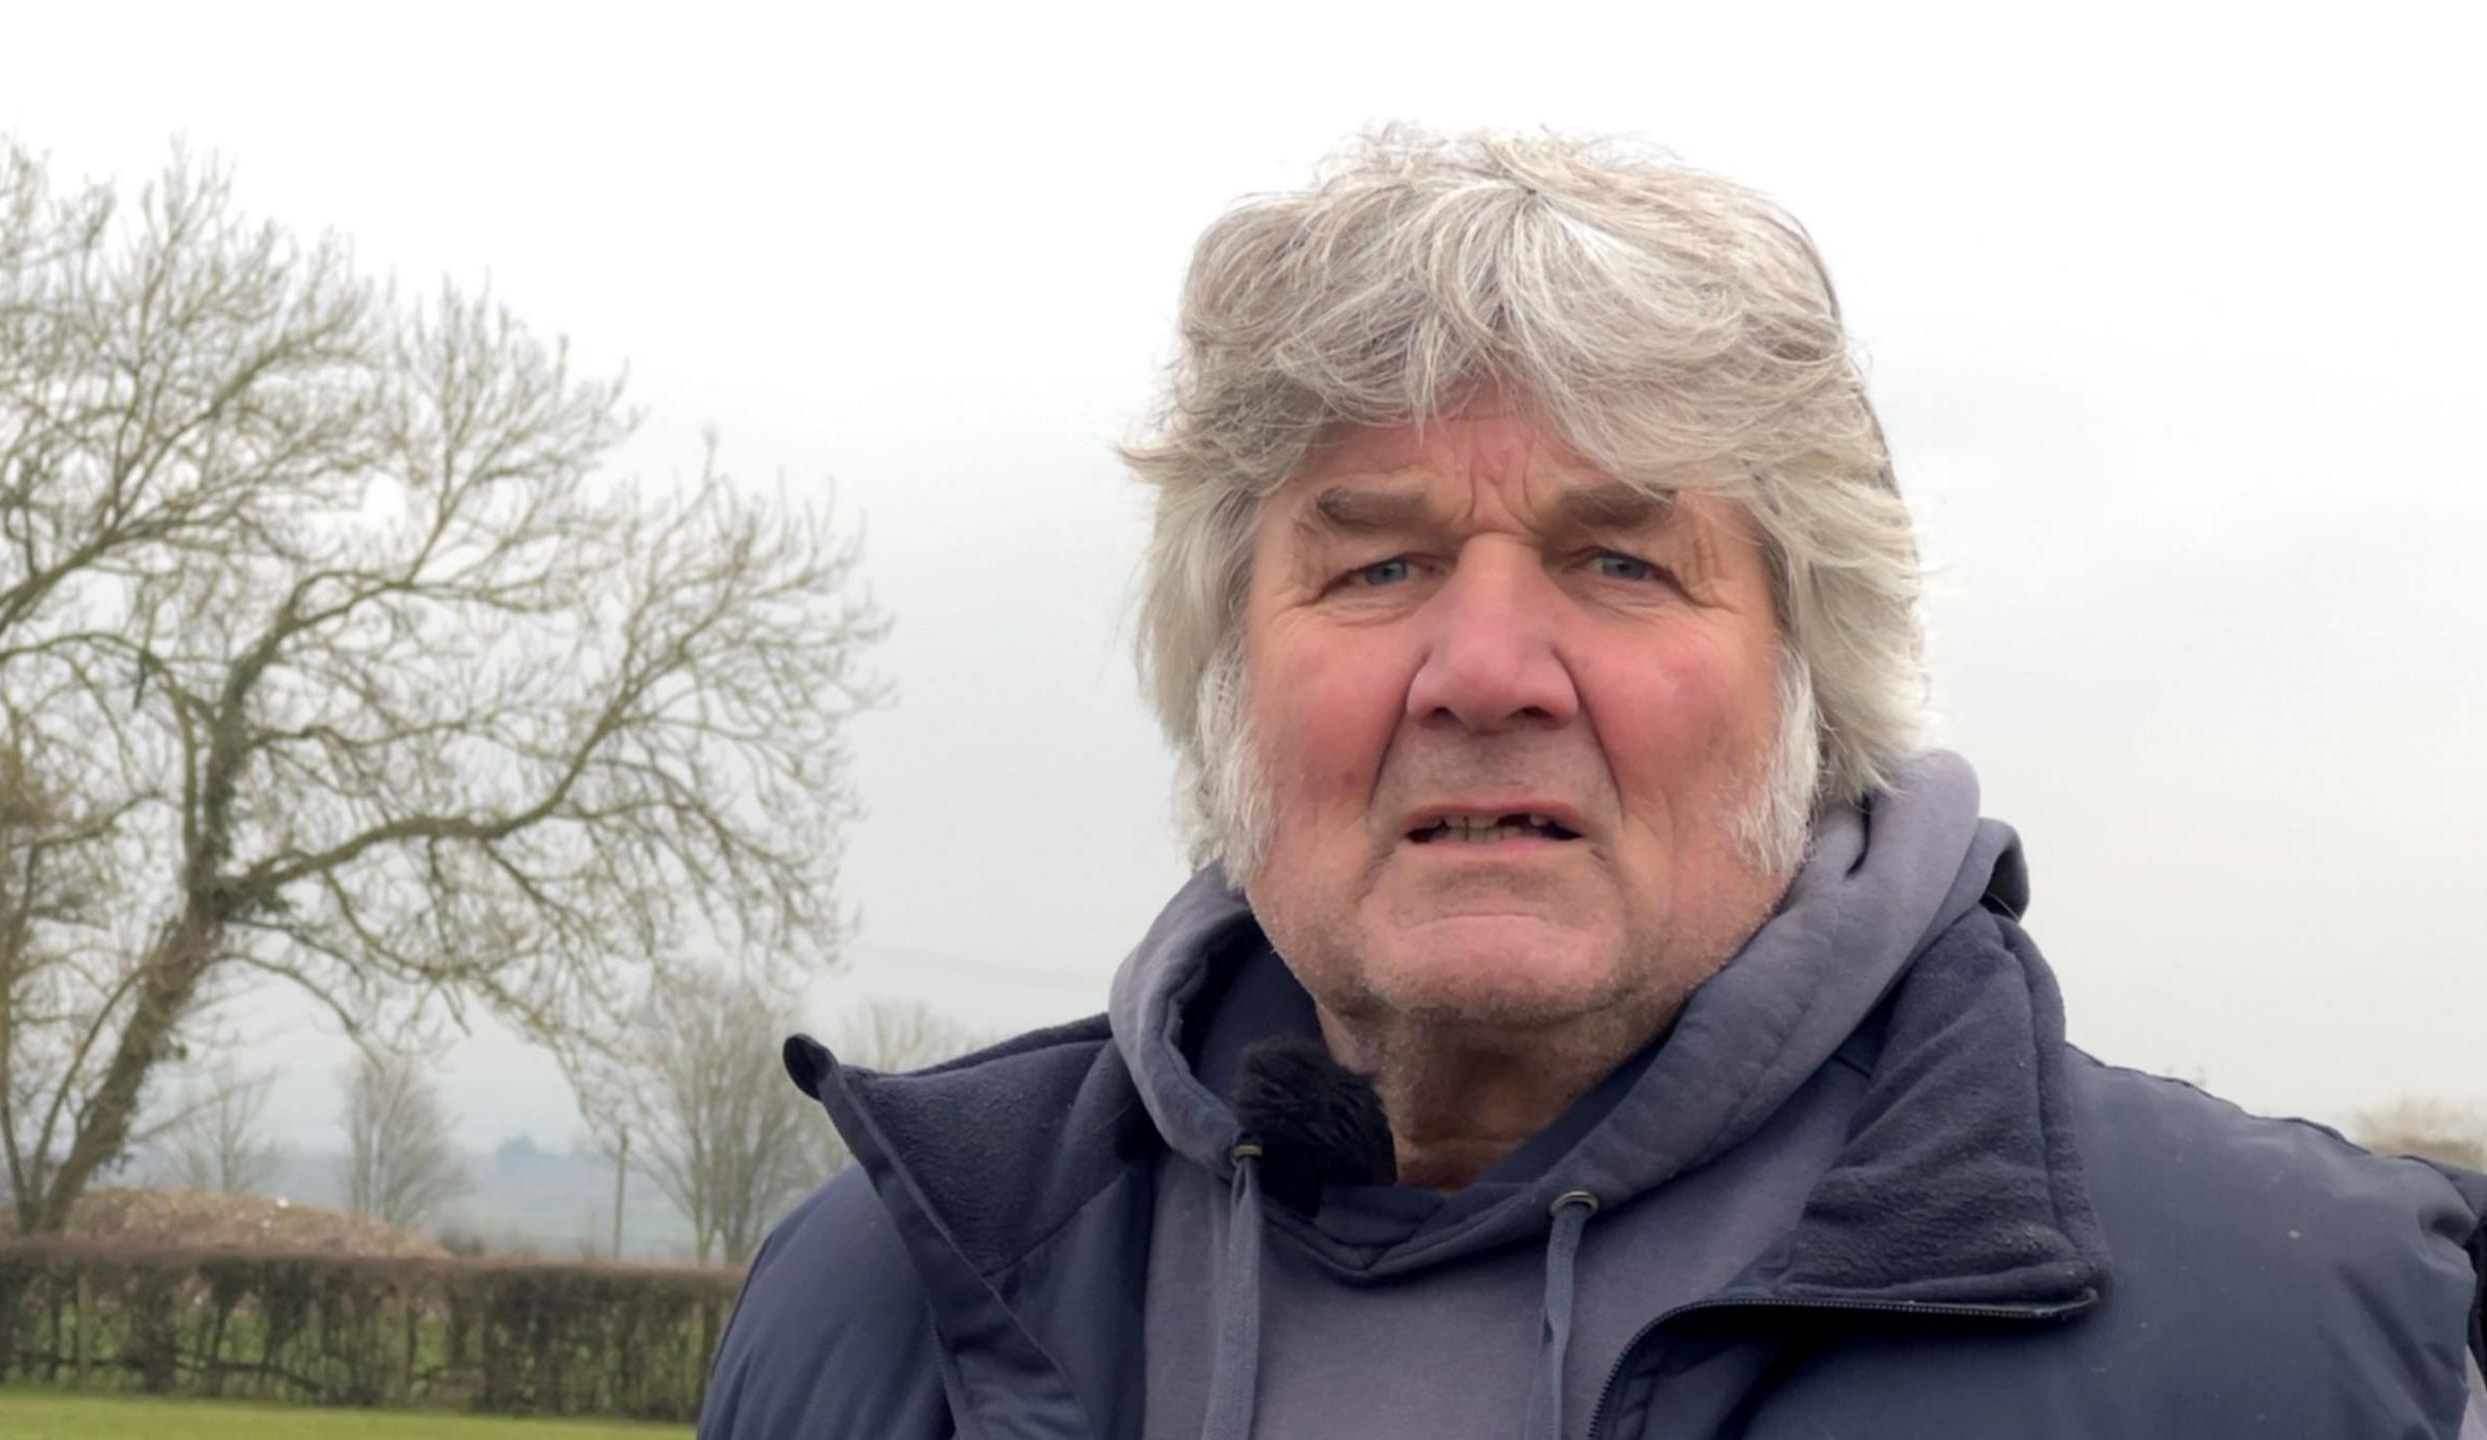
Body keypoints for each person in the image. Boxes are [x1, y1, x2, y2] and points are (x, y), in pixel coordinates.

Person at [696, 128, 2487, 1438]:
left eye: (1621, 561)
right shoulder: (872, 1314)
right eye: (1377, 564)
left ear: (1807, 675)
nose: (1485, 672)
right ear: (1227, 678)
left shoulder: (2308, 1341)